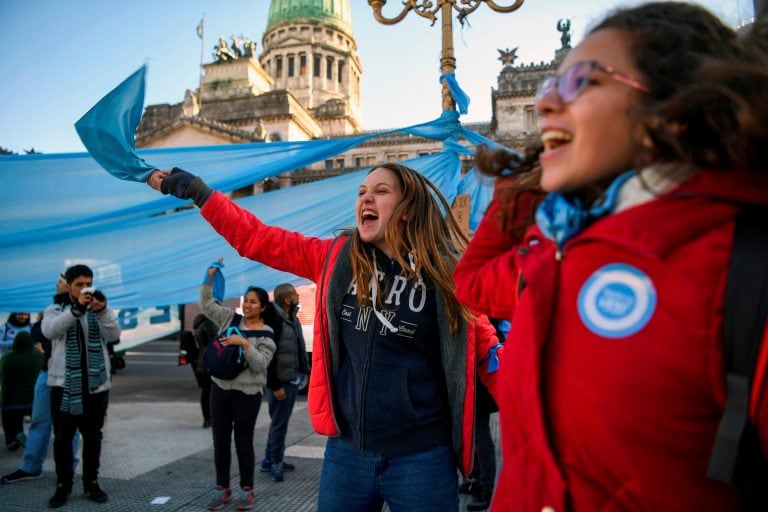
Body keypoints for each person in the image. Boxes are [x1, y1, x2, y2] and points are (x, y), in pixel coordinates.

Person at [453, 3, 768, 510]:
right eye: (546, 89)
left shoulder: (744, 270)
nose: (548, 104)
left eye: (580, 81)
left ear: (673, 108)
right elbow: (470, 282)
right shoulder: (560, 246)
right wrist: (533, 176)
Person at [147, 161, 500, 512]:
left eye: (380, 191)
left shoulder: (449, 275)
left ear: (408, 209)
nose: (366, 198)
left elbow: (492, 357)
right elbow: (256, 238)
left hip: (422, 459)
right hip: (347, 455)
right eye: (362, 192)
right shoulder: (333, 258)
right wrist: (197, 191)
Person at [198, 263, 277, 511]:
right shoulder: (230, 318)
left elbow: (260, 365)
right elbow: (207, 305)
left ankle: (247, 489)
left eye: (254, 302)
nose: (248, 305)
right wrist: (208, 278)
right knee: (219, 440)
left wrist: (244, 343)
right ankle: (223, 488)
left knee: (243, 441)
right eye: (246, 301)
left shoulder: (267, 333)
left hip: (248, 394)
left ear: (263, 307)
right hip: (220, 388)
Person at [42, 264, 121, 508]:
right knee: (63, 440)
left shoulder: (99, 309)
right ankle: (62, 487)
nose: (84, 289)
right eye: (79, 285)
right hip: (64, 387)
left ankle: (91, 483)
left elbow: (115, 334)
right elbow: (50, 331)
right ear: (69, 285)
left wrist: (103, 310)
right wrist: (76, 310)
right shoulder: (55, 309)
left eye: (88, 283)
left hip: (96, 388)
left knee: (93, 438)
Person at [1, 275, 81, 484]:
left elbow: (49, 332)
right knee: (38, 421)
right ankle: (30, 466)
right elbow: (38, 332)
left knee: (68, 426)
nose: (56, 284)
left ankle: (68, 470)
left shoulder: (81, 309)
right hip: (46, 372)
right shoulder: (52, 307)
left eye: (60, 280)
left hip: (69, 376)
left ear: (70, 284)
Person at [260, 283, 309, 482]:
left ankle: (267, 459)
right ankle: (276, 463)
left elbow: (298, 347)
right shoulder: (274, 320)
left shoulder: (291, 317)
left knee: (278, 422)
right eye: (295, 294)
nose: (298, 295)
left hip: (291, 377)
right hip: (280, 382)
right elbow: (269, 357)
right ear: (287, 300)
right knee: (279, 424)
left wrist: (305, 371)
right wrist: (275, 385)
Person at [0, 332, 42, 451]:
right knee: (38, 424)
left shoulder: (6, 358)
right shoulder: (38, 357)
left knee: (11, 422)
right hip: (33, 402)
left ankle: (12, 439)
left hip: (10, 403)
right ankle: (35, 440)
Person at [192, 312, 217, 428]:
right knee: (211, 392)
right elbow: (216, 342)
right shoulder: (209, 322)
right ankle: (210, 419)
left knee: (207, 391)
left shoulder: (200, 320)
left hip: (203, 361)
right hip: (211, 362)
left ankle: (208, 419)